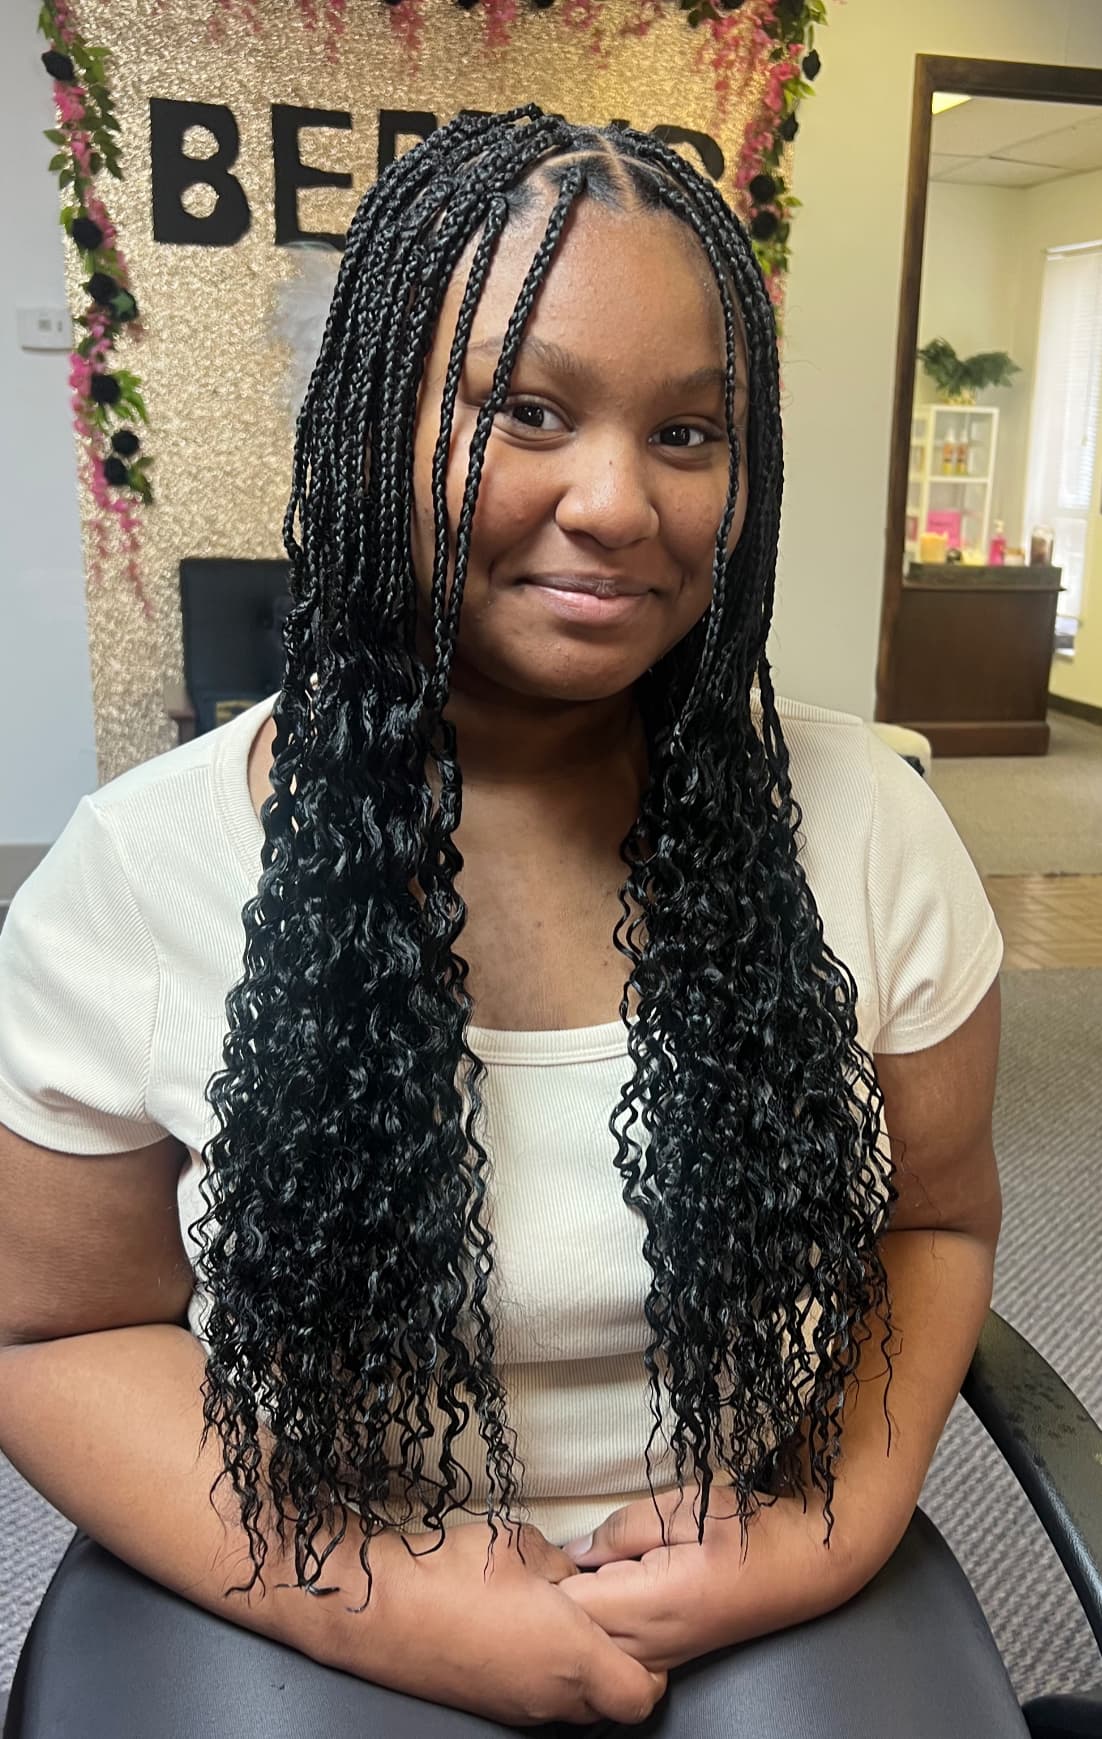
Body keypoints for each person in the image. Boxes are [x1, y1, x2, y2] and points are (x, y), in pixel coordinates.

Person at [0, 107, 1027, 1736]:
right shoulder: (141, 870)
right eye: (529, 411)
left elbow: (936, 1225)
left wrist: (818, 1528)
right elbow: (52, 1332)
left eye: (687, 433)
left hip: (747, 1536)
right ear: (369, 429)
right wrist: (386, 1597)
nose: (615, 502)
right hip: (316, 1550)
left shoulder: (870, 828)